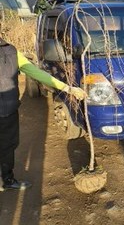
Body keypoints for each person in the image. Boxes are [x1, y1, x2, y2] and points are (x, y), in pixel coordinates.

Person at [0, 38, 86, 190]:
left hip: (8, 111)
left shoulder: (11, 50)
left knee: (8, 147)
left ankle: (7, 180)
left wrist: (68, 88)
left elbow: (37, 73)